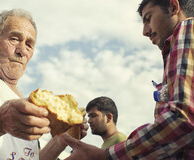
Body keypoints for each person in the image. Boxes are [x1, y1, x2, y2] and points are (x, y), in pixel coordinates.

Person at [60, 0, 194, 159]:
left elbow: (183, 119)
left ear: (173, 7)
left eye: (148, 18)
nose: (144, 31)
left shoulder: (187, 29)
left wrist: (103, 156)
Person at [0, 9, 88, 160]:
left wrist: (61, 139)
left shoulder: (23, 102)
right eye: (14, 39)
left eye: (29, 44)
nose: (21, 51)